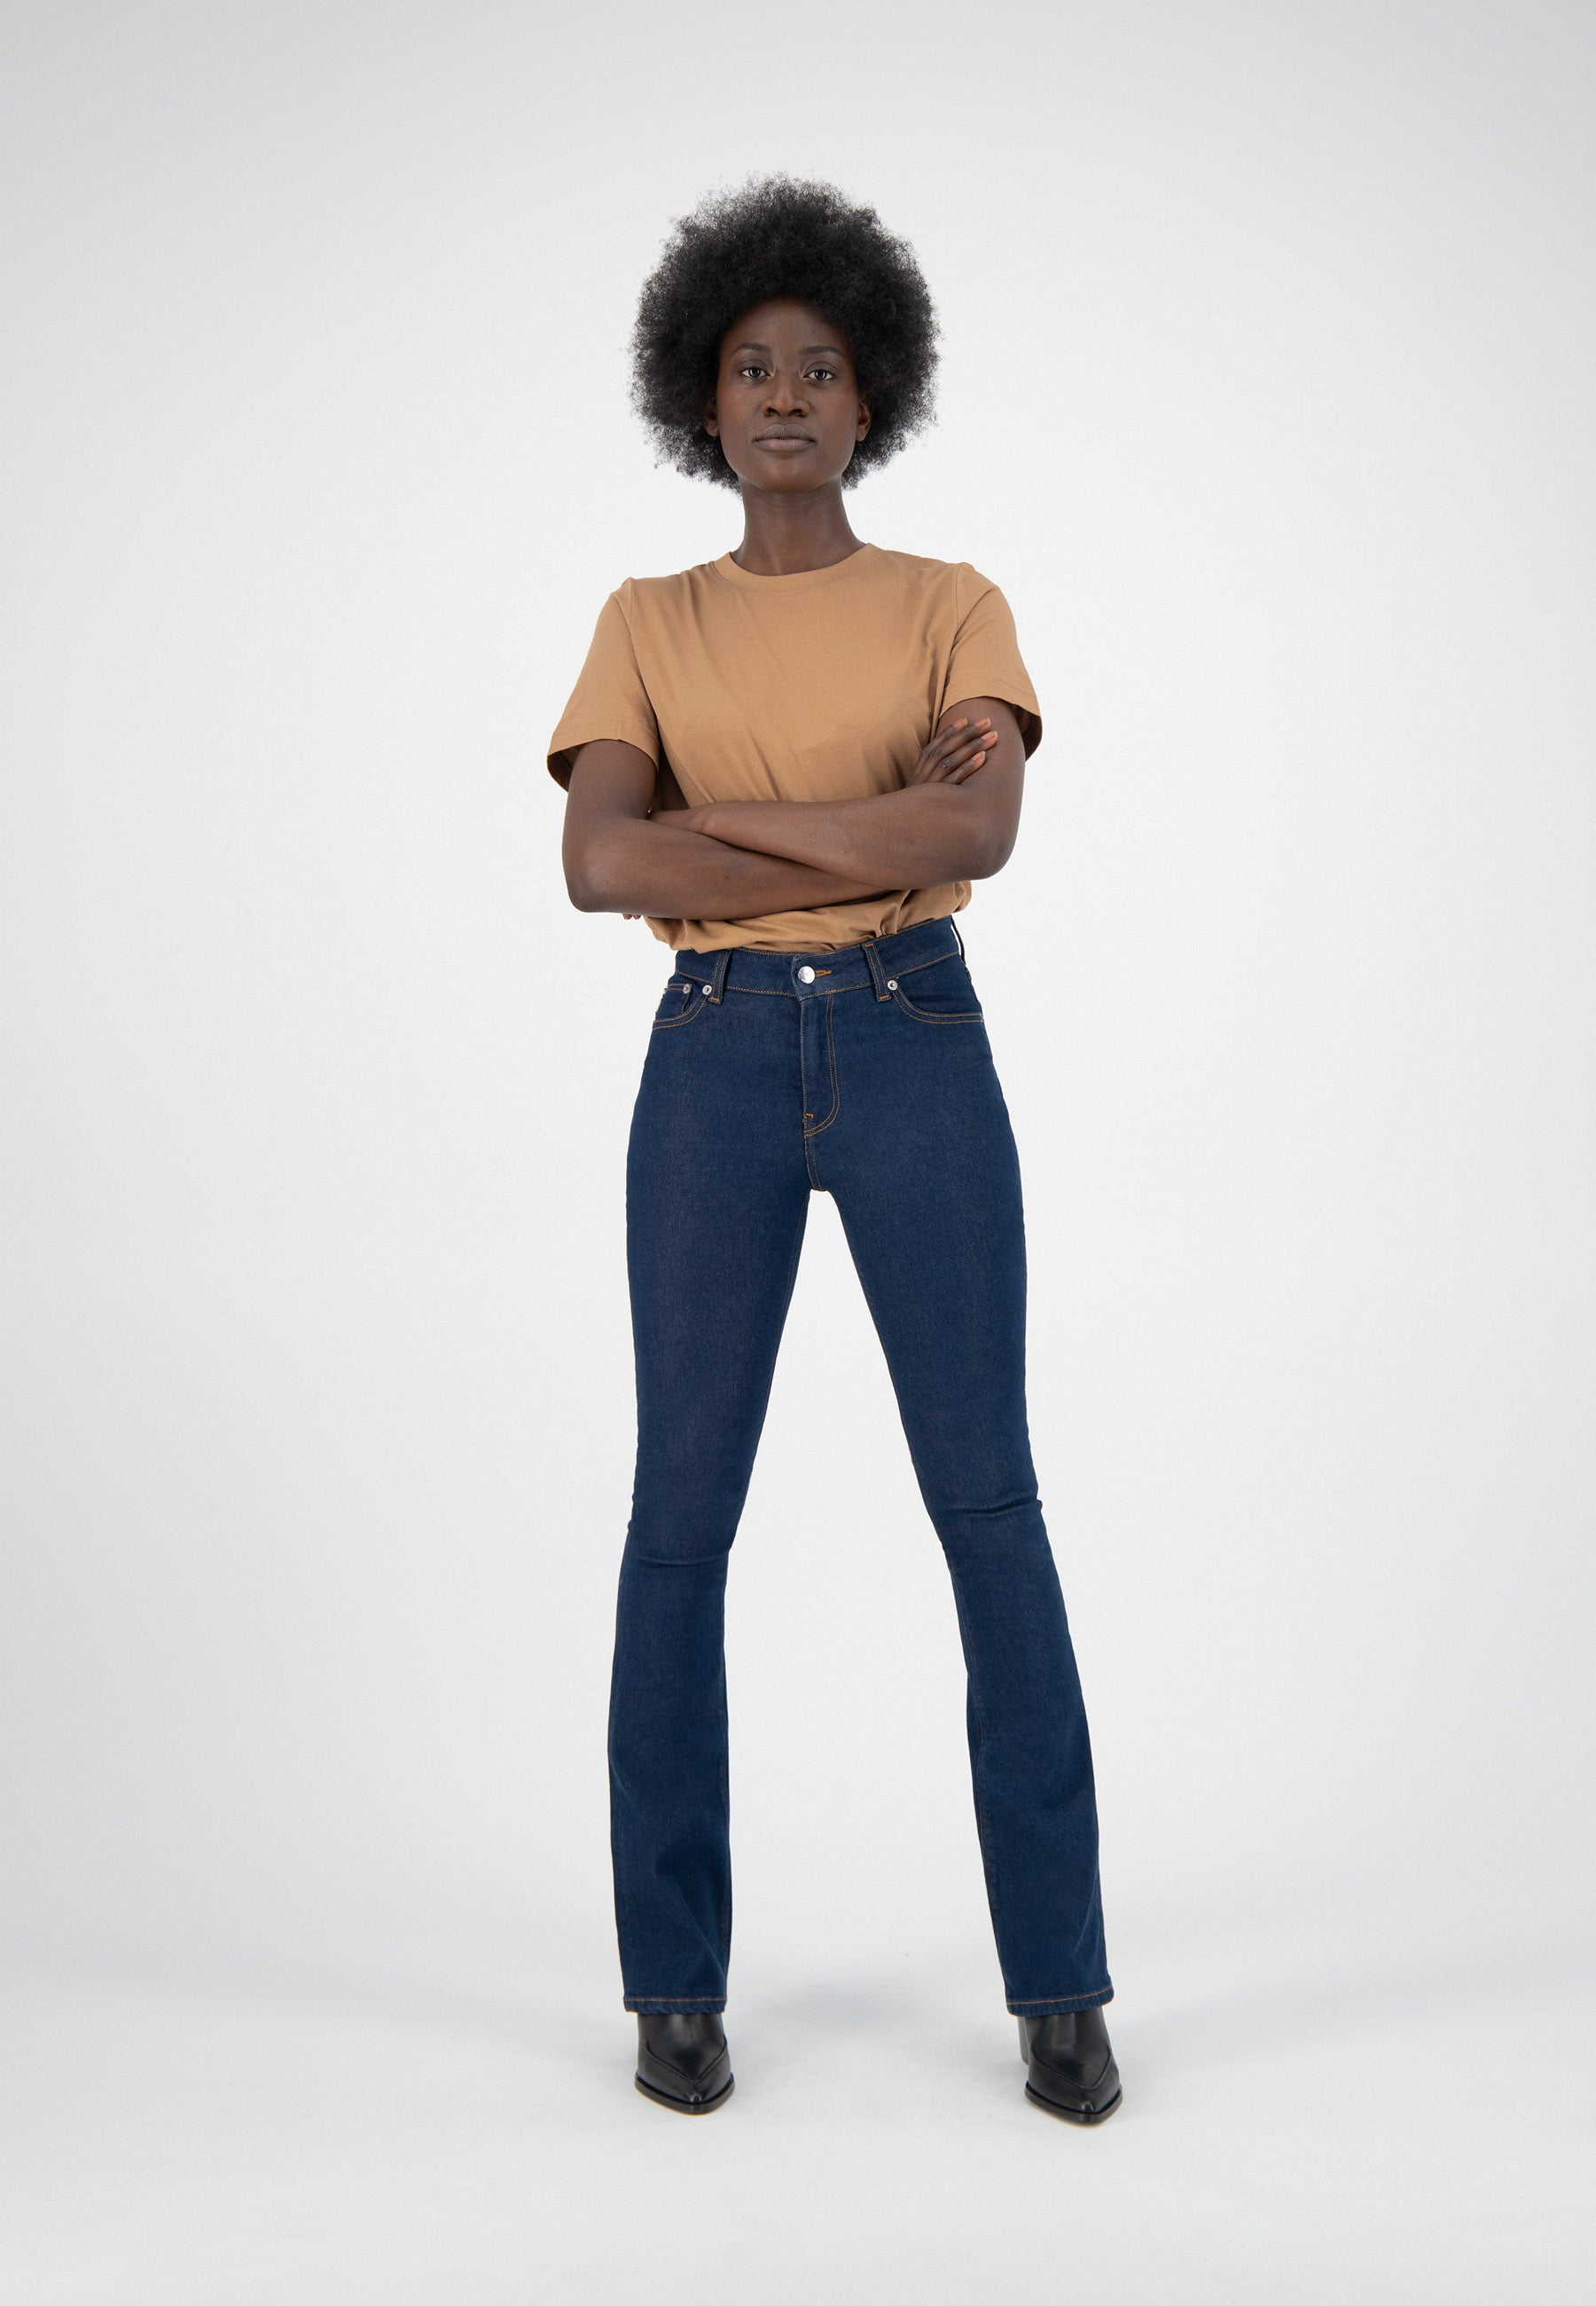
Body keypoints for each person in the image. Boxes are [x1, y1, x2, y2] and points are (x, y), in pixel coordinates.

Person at [547, 176, 1120, 2124]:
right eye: (747, 370)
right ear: (699, 405)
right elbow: (596, 861)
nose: (784, 396)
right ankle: (671, 1986)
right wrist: (861, 816)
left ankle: (1062, 1981)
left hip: (915, 1043)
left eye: (818, 368)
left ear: (871, 397)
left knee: (988, 1498)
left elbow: (973, 844)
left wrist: (752, 835)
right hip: (708, 1065)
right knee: (677, 1520)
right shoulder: (644, 620)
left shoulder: (955, 602)